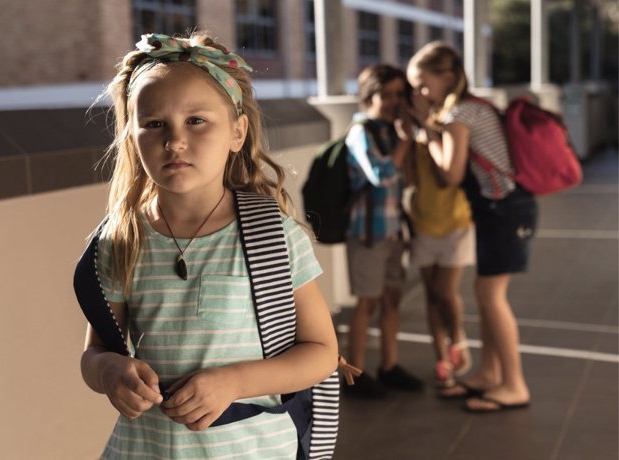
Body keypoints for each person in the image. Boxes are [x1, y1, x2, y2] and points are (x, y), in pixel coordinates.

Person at [79, 32, 338, 458]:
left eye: (196, 121)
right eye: (155, 124)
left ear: (237, 132)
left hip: (254, 449)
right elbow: (95, 354)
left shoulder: (273, 238)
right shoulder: (121, 240)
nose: (174, 141)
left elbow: (321, 353)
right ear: (132, 135)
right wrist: (109, 371)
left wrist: (235, 382)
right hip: (146, 449)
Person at [406, 41, 536, 412]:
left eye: (423, 84)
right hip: (502, 209)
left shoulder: (460, 114)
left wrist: (426, 130)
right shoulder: (473, 106)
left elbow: (450, 173)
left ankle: (514, 385)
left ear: (447, 77)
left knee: (492, 297)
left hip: (504, 210)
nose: (419, 93)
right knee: (486, 295)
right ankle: (490, 375)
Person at [342, 64, 424, 399]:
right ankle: (354, 376)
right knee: (366, 303)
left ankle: (389, 366)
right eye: (385, 95)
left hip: (392, 232)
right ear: (369, 96)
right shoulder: (361, 132)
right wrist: (406, 140)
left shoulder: (393, 131)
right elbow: (382, 174)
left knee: (391, 300)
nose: (392, 102)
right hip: (367, 234)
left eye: (398, 95)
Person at [403, 130, 475, 389]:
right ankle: (441, 359)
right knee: (431, 295)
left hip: (456, 221)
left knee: (445, 291)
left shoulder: (451, 131)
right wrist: (406, 139)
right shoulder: (414, 139)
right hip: (422, 222)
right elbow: (408, 179)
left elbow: (448, 177)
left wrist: (429, 130)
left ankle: (457, 340)